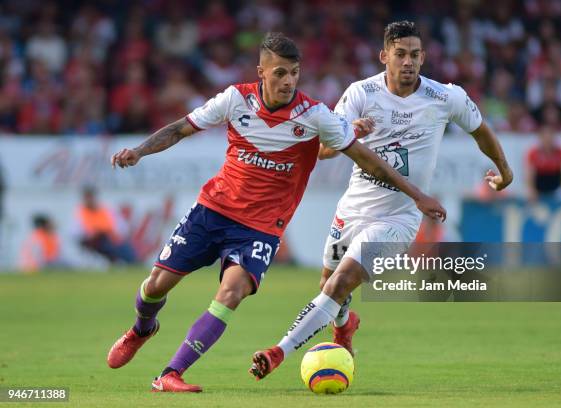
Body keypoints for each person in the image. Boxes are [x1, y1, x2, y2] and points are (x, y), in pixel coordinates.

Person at [106, 32, 445, 393]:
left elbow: (367, 160)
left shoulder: (315, 115)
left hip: (260, 229)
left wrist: (417, 195)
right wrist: (139, 151)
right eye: (280, 73)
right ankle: (142, 328)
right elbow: (179, 129)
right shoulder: (235, 99)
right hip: (212, 210)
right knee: (156, 286)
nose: (288, 81)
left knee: (231, 294)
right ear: (261, 73)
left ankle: (170, 373)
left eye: (294, 73)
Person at [249, 21, 513, 380]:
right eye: (401, 54)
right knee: (328, 285)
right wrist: (349, 131)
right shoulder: (360, 93)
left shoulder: (445, 97)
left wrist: (504, 170)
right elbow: (324, 150)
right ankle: (345, 326)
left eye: (415, 55)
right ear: (384, 56)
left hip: (398, 219)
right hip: (354, 208)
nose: (409, 62)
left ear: (424, 57)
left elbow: (481, 131)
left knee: (339, 284)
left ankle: (278, 351)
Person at [76, 186, 137, 264]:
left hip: (110, 238)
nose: (89, 200)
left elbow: (120, 226)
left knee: (126, 249)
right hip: (95, 242)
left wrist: (116, 235)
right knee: (110, 247)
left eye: (91, 197)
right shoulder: (80, 212)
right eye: (87, 197)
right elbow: (77, 233)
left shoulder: (105, 209)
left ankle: (132, 262)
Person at [524, 125, 561, 202]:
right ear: (540, 138)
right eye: (545, 138)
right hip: (539, 189)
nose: (548, 140)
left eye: (550, 137)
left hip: (557, 189)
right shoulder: (533, 153)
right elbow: (530, 175)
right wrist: (532, 191)